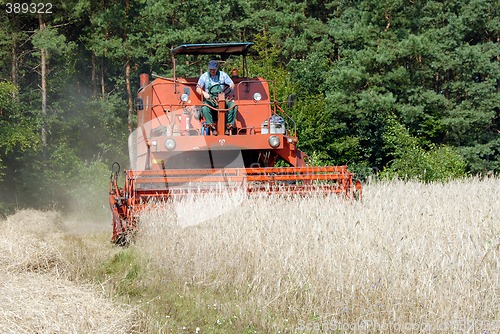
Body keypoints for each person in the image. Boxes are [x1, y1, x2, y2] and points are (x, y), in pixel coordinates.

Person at [196, 60, 237, 135]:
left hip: (222, 98)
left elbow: (231, 83)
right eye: (210, 69)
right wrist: (204, 93)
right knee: (204, 108)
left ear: (217, 68)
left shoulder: (223, 75)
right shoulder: (204, 76)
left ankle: (229, 126)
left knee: (233, 105)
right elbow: (197, 88)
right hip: (210, 99)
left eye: (213, 69)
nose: (212, 71)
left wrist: (232, 85)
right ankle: (212, 127)